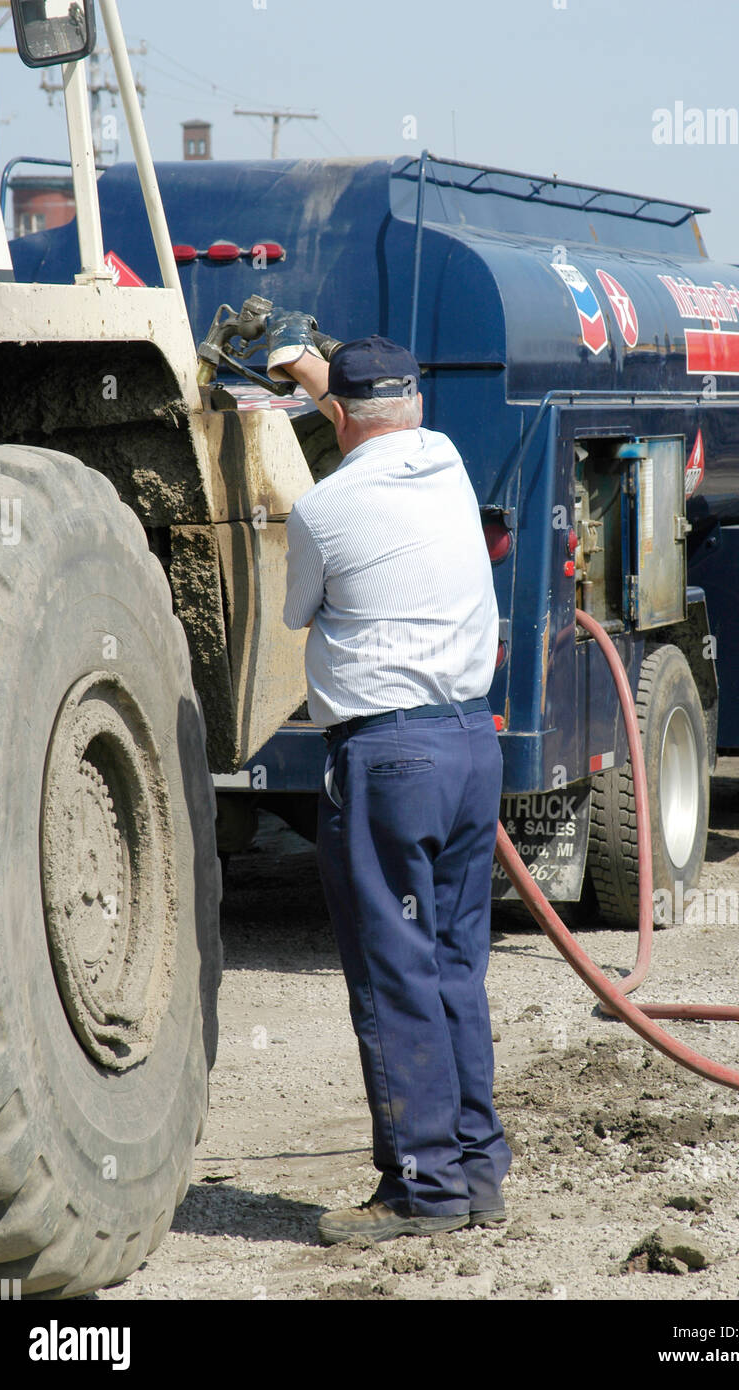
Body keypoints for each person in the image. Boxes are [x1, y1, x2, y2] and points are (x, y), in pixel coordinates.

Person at [271, 310, 511, 1244]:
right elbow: (365, 413)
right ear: (412, 403)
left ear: (338, 421)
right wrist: (313, 373)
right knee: (453, 964)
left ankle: (422, 1192)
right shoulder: (446, 460)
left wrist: (303, 383)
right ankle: (477, 1172)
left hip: (390, 760)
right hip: (468, 751)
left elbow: (299, 612)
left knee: (392, 972)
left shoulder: (323, 510)